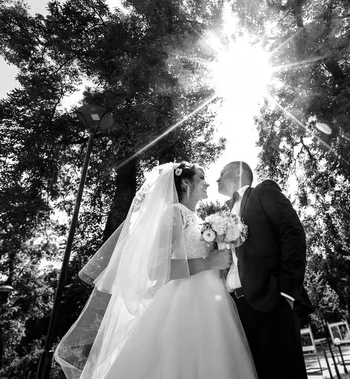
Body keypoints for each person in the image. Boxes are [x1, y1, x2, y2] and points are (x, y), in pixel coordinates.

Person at [55, 162, 257, 379]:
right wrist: (208, 263)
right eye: (201, 178)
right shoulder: (174, 213)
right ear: (187, 183)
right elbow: (156, 269)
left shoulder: (198, 220)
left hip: (212, 298)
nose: (207, 182)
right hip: (185, 302)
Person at [217, 161, 313, 379]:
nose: (217, 178)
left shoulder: (263, 192)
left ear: (239, 172)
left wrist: (286, 292)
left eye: (222, 173)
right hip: (235, 311)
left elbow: (293, 234)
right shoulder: (221, 216)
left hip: (271, 303)